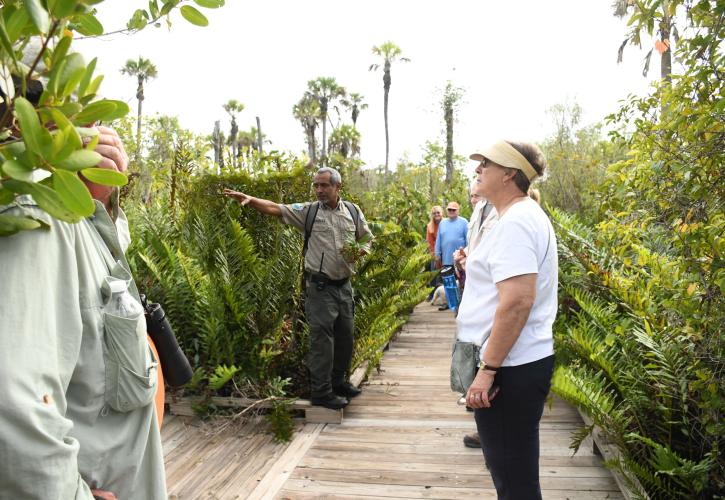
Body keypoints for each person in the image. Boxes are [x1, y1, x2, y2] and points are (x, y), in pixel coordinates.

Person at [0, 127, 167, 500]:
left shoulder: (71, 215)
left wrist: (98, 193)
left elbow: (109, 248)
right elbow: (10, 402)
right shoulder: (37, 215)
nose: (99, 133)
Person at [222, 167, 373, 410]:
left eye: (324, 185)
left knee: (345, 337)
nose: (319, 190)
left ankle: (338, 382)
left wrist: (361, 250)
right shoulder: (309, 212)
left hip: (344, 286)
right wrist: (250, 201)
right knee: (322, 341)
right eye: (316, 185)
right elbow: (276, 208)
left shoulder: (353, 212)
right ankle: (322, 393)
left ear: (338, 187)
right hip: (320, 288)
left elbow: (366, 238)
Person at [458, 140, 557, 499]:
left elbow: (517, 302)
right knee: (513, 473)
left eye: (487, 163)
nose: (478, 169)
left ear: (509, 174)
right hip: (517, 362)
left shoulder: (516, 221)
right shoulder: (516, 216)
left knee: (513, 479)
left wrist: (487, 369)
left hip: (510, 368)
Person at [453, 182, 499, 449]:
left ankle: (492, 435)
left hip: (493, 302)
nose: (480, 172)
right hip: (474, 297)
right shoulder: (480, 209)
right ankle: (483, 427)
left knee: (491, 368)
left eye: (485, 166)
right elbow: (479, 248)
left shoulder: (509, 212)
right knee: (472, 359)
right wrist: (465, 256)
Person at [433, 201, 467, 310]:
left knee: (461, 283)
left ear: (458, 210)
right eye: (449, 209)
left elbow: (469, 240)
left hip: (459, 260)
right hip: (446, 259)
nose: (451, 211)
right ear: (446, 211)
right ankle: (447, 303)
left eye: (454, 209)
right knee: (447, 283)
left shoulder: (464, 222)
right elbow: (438, 239)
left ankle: (462, 304)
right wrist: (437, 253)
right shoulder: (442, 223)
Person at [425, 205, 443, 301]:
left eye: (438, 212)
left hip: (445, 251)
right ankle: (432, 294)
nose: (436, 214)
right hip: (435, 252)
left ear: (442, 213)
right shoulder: (430, 226)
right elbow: (429, 242)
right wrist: (435, 255)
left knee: (446, 273)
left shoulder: (446, 223)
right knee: (433, 274)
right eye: (434, 213)